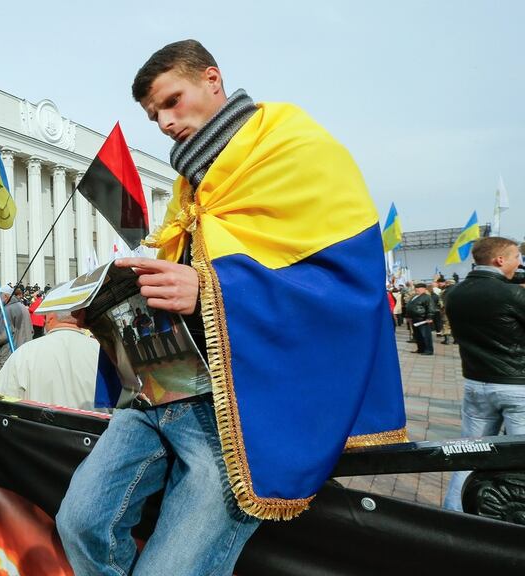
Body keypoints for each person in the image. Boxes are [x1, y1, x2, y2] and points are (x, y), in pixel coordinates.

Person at [56, 40, 405, 574]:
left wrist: (208, 288)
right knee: (80, 522)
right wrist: (109, 308)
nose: (166, 123)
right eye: (154, 116)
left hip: (239, 408)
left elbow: (346, 287)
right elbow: (173, 276)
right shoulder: (188, 183)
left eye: (172, 101)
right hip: (161, 386)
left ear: (212, 79)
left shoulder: (296, 146)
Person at [441, 237, 525, 511]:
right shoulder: (512, 294)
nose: (520, 262)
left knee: (469, 455)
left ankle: (454, 514)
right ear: (500, 260)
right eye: (516, 256)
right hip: (517, 386)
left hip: (476, 383)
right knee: (520, 457)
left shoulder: (454, 293)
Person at [0, 310, 101, 411]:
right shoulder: (102, 352)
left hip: (38, 431)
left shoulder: (24, 353)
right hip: (97, 431)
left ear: (50, 317)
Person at [406, 283, 436, 355]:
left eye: (419, 288)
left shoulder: (427, 297)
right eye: (416, 288)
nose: (417, 289)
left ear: (424, 289)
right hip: (414, 318)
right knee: (418, 335)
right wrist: (408, 316)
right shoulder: (414, 296)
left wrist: (429, 317)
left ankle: (428, 350)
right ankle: (420, 349)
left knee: (425, 335)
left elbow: (431, 308)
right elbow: (410, 307)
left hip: (423, 319)